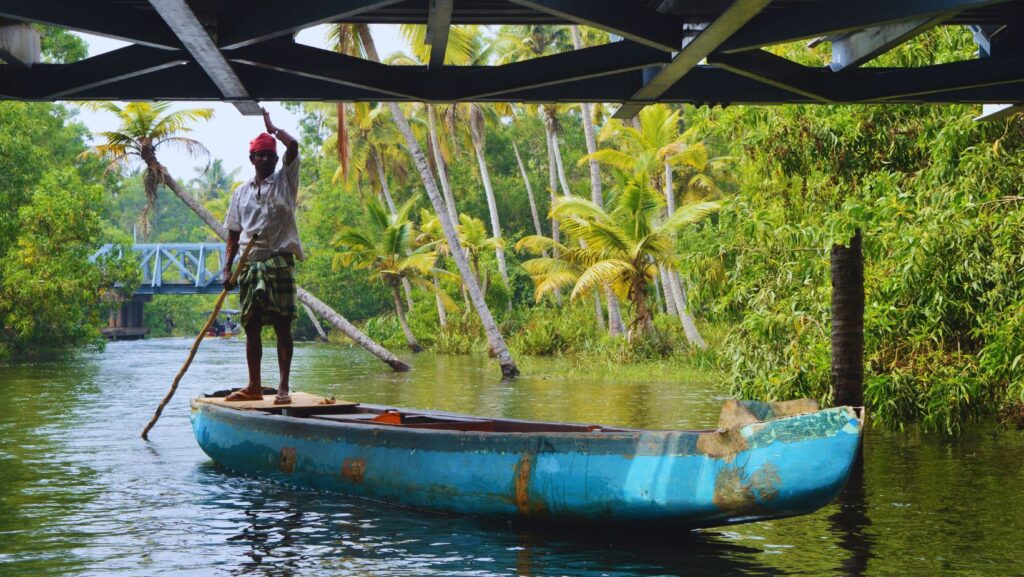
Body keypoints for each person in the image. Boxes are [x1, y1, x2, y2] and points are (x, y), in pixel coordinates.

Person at [222, 108, 302, 405]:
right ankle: (254, 385)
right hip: (250, 265)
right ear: (252, 159)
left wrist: (273, 127)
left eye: (270, 155)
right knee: (251, 325)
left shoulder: (285, 181)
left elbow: (293, 146)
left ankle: (283, 387)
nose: (265, 160)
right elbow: (232, 233)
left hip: (279, 260)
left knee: (283, 323)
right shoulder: (240, 193)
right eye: (260, 156)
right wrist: (227, 270)